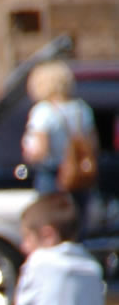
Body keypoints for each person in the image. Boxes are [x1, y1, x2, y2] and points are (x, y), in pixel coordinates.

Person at [22, 60, 97, 226]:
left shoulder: (43, 111)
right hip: (77, 172)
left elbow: (40, 151)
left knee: (50, 221)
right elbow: (92, 144)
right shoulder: (81, 108)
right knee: (77, 221)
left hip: (52, 173)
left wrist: (29, 152)